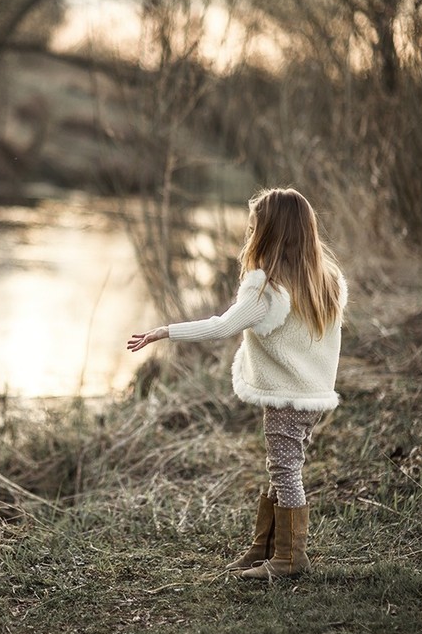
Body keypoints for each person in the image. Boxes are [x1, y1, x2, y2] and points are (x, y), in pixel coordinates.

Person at [127, 188, 347, 580]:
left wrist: (164, 331)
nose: (248, 234)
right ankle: (264, 549)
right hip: (310, 395)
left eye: (253, 227)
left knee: (285, 471)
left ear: (268, 234)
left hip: (285, 396)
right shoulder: (324, 280)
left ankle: (289, 559)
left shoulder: (267, 290)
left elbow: (222, 325)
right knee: (280, 467)